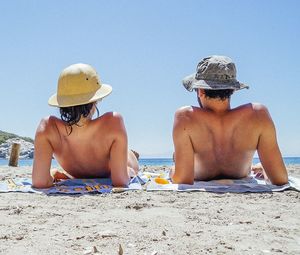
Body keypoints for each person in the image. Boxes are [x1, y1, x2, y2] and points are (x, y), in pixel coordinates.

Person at [172, 55, 288, 185]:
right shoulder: (258, 114)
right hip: (241, 173)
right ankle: (259, 166)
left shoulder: (185, 117)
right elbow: (280, 179)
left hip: (201, 175)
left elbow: (183, 180)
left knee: (175, 161)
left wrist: (173, 171)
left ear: (200, 91)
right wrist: (267, 171)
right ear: (233, 89)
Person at [32, 63, 139, 188]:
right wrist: (130, 172)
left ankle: (130, 152)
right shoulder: (112, 122)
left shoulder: (47, 127)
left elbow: (40, 182)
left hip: (79, 172)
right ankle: (128, 152)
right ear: (95, 100)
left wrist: (52, 174)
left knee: (127, 153)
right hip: (124, 163)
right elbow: (121, 181)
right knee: (127, 159)